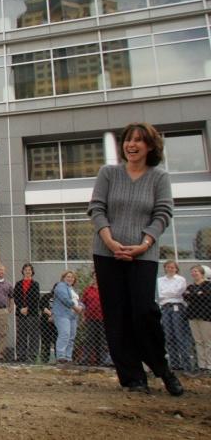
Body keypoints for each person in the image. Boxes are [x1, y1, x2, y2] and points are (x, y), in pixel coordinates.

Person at [88, 122, 184, 396]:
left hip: (143, 255)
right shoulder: (108, 173)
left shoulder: (159, 177)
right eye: (128, 140)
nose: (132, 145)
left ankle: (162, 369)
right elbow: (97, 208)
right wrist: (109, 240)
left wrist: (143, 244)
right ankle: (132, 378)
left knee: (144, 312)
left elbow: (163, 213)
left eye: (139, 141)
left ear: (150, 146)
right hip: (107, 253)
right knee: (116, 316)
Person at [158, 260, 195, 372]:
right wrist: (170, 293)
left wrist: (168, 293)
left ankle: (186, 364)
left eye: (172, 267)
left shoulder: (181, 279)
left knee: (180, 335)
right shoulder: (160, 280)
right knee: (169, 336)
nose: (170, 269)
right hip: (165, 307)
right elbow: (160, 293)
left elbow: (179, 293)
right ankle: (174, 364)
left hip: (177, 307)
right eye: (168, 267)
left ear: (176, 269)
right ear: (165, 268)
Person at [182, 265, 211, 370]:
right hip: (193, 316)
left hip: (205, 316)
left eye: (196, 271)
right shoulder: (190, 286)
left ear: (202, 273)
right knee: (198, 341)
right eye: (192, 272)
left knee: (207, 341)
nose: (194, 273)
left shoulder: (208, 284)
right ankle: (201, 365)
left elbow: (207, 297)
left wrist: (194, 295)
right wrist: (197, 294)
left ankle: (209, 364)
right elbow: (185, 296)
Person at [51, 270, 83, 364]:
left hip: (73, 316)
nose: (70, 278)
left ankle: (68, 358)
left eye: (72, 277)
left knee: (71, 337)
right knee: (64, 334)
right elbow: (65, 298)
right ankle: (61, 356)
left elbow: (79, 300)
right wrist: (75, 307)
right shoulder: (60, 286)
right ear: (63, 278)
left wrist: (81, 306)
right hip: (62, 314)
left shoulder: (72, 289)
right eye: (68, 276)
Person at [12, 262, 41, 363]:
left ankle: (32, 356)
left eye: (29, 270)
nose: (27, 272)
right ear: (23, 271)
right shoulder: (18, 284)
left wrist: (27, 308)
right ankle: (21, 355)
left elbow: (36, 298)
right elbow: (16, 297)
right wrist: (20, 308)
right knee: (21, 334)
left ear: (32, 272)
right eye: (26, 270)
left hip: (32, 313)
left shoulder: (35, 284)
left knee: (33, 335)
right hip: (20, 313)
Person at [79, 271, 109, 367]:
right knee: (89, 338)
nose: (96, 278)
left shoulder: (105, 289)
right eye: (94, 276)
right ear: (92, 278)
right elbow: (82, 304)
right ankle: (85, 359)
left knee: (102, 340)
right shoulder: (88, 290)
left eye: (98, 276)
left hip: (102, 318)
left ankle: (103, 360)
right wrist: (83, 316)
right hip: (90, 318)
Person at [39, 290, 57, 364]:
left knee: (57, 340)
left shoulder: (62, 297)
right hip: (46, 322)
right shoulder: (47, 296)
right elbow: (41, 306)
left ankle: (58, 358)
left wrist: (54, 317)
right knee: (45, 340)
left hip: (57, 322)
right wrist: (49, 315)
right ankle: (44, 359)